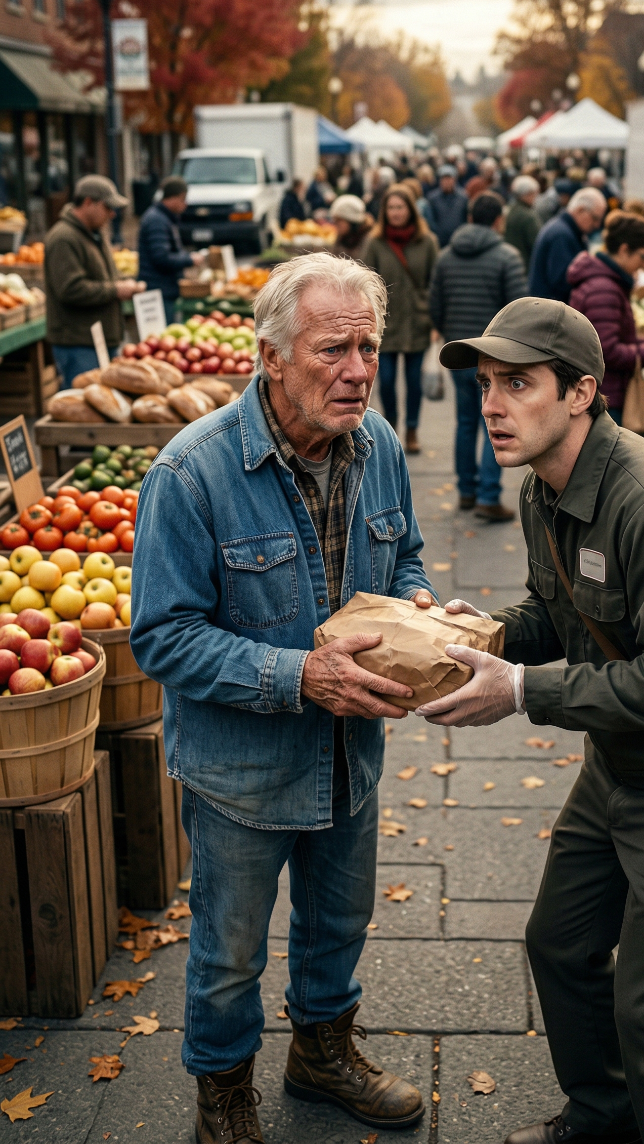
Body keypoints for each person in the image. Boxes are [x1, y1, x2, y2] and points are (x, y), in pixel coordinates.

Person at [417, 296, 644, 1144]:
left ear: (581, 393)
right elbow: (558, 611)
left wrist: (521, 689)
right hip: (616, 767)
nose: (491, 405)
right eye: (485, 385)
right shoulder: (548, 489)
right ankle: (606, 1113)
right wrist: (484, 634)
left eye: (517, 384)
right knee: (560, 947)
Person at [130, 253, 436, 1144]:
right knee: (228, 957)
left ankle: (322, 1051)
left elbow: (406, 550)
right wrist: (298, 674)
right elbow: (162, 637)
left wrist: (415, 607)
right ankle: (223, 1092)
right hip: (242, 775)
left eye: (369, 348)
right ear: (270, 356)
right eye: (332, 349)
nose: (357, 371)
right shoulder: (191, 474)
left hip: (351, 757)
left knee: (340, 922)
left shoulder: (376, 446)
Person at [430, 191, 528, 519]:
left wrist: (450, 331)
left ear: (470, 217)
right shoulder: (508, 257)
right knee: (494, 421)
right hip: (495, 356)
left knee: (466, 422)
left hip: (459, 353)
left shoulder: (446, 256)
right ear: (499, 220)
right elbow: (518, 310)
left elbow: (436, 305)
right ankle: (488, 495)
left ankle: (466, 492)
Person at [567, 211, 644, 423]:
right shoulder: (603, 290)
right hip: (604, 396)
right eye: (642, 257)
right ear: (624, 250)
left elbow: (615, 338)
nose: (643, 265)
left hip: (601, 391)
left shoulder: (606, 282)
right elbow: (607, 351)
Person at [45, 175, 143, 388]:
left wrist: (124, 283)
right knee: (80, 408)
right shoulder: (64, 238)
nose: (112, 213)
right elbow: (70, 289)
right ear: (88, 202)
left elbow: (105, 277)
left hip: (99, 338)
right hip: (79, 342)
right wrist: (115, 290)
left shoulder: (96, 234)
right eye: (108, 207)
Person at [363, 184, 438, 453]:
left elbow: (435, 282)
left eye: (400, 207)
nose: (396, 212)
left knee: (414, 382)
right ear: (384, 211)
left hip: (418, 321)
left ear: (411, 210)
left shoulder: (427, 242)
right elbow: (365, 281)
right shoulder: (376, 243)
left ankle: (413, 429)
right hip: (386, 323)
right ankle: (391, 429)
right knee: (387, 381)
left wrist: (434, 319)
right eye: (391, 207)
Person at [137, 176, 206, 322]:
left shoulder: (164, 218)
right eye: (183, 199)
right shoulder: (157, 220)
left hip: (164, 289)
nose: (185, 204)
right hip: (159, 291)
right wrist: (189, 259)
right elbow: (161, 257)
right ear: (174, 197)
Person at [529, 187, 607, 302]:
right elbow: (563, 281)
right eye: (595, 218)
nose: (597, 225)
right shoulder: (561, 235)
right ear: (580, 210)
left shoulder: (563, 230)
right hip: (549, 312)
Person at [504, 176, 543, 272]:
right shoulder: (529, 216)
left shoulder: (508, 210)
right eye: (534, 194)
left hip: (508, 263)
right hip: (525, 266)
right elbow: (538, 244)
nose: (536, 197)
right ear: (527, 194)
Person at [426, 165, 470, 247]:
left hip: (459, 240)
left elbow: (466, 218)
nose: (447, 181)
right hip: (440, 241)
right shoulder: (432, 198)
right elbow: (430, 220)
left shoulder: (463, 197)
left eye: (449, 178)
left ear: (454, 179)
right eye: (444, 179)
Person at [330, 193, 373, 262]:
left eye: (339, 220)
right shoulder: (342, 237)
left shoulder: (369, 242)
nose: (335, 223)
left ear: (352, 221)